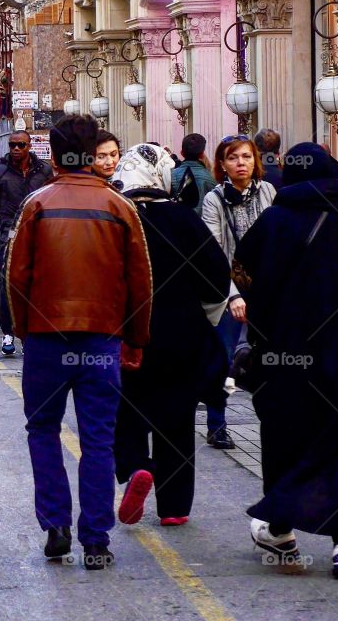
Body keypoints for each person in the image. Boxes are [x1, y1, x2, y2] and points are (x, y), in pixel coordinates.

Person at [6, 115, 152, 570]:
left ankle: (56, 524)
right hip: (102, 340)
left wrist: (24, 329)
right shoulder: (119, 207)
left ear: (54, 153)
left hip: (48, 339)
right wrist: (136, 339)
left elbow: (17, 278)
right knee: (98, 439)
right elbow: (140, 282)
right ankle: (96, 539)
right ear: (92, 156)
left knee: (43, 430)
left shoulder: (37, 204)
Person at [235, 143, 338, 577]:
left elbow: (243, 273)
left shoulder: (276, 220)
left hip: (286, 355)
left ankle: (280, 530)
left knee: (285, 437)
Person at [110, 144, 230, 528]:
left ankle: (135, 467)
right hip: (181, 335)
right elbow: (217, 279)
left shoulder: (114, 219)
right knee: (177, 417)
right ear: (161, 176)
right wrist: (204, 320)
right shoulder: (183, 219)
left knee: (125, 410)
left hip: (128, 335)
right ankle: (175, 507)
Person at [200, 134, 276, 449]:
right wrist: (233, 295)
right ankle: (217, 423)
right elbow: (215, 253)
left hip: (266, 292)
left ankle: (274, 421)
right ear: (222, 164)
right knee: (226, 360)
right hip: (228, 294)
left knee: (271, 359)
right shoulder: (214, 199)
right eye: (233, 158)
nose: (240, 163)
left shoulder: (268, 192)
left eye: (246, 157)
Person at [0, 130, 53, 356]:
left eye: (21, 145)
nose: (16, 149)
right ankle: (8, 332)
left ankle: (31, 332)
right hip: (8, 233)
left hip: (39, 233)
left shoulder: (44, 171)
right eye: (12, 145)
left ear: (29, 146)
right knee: (8, 282)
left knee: (37, 282)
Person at [170, 133, 217, 213]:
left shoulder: (171, 175)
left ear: (182, 153)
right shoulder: (212, 178)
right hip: (203, 223)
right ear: (202, 155)